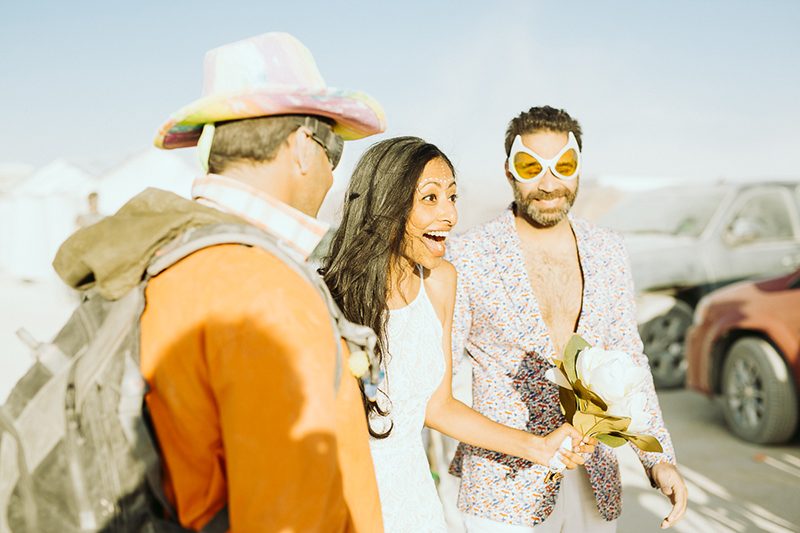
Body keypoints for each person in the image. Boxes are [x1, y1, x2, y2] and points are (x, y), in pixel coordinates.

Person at [56, 32, 387, 531]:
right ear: (301, 148)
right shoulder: (263, 290)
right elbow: (287, 518)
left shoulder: (168, 252)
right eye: (333, 152)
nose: (332, 175)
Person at [321, 137, 596, 532]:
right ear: (385, 204)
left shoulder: (440, 282)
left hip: (414, 505)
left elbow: (438, 407)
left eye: (452, 196)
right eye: (430, 198)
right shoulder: (325, 298)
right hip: (342, 503)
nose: (450, 214)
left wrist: (539, 446)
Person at [446, 106, 689, 532]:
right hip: (503, 489)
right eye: (530, 167)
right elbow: (437, 381)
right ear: (509, 172)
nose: (548, 183)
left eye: (563, 166)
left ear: (578, 169)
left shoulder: (608, 250)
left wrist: (658, 459)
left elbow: (629, 362)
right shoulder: (469, 254)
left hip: (594, 481)